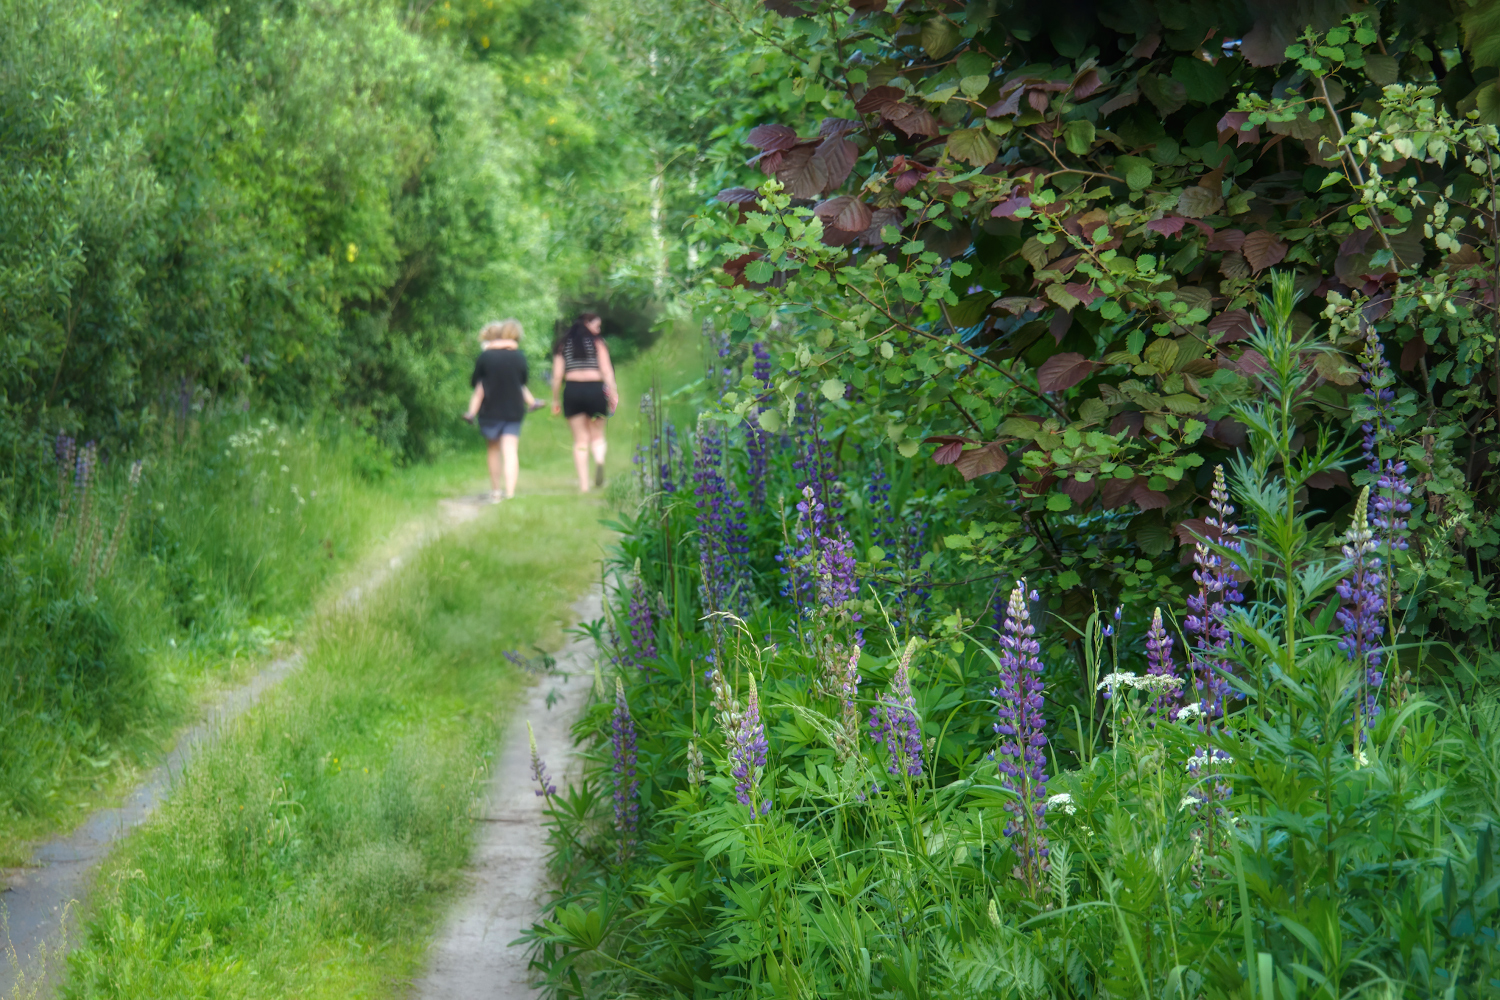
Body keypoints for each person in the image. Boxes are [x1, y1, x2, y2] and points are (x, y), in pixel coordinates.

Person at [464, 319, 539, 502]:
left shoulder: (486, 357)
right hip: (514, 409)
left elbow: (475, 382)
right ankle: (511, 493)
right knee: (510, 450)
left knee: (493, 450)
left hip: (490, 410)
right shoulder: (519, 356)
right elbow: (523, 381)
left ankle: (496, 491)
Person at [551, 312, 616, 493]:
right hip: (595, 390)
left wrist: (555, 399)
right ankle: (600, 460)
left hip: (573, 390)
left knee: (580, 440)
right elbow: (607, 371)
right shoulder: (598, 343)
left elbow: (557, 377)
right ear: (587, 323)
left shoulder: (563, 344)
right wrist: (612, 394)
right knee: (597, 435)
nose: (598, 329)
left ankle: (584, 485)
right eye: (597, 325)